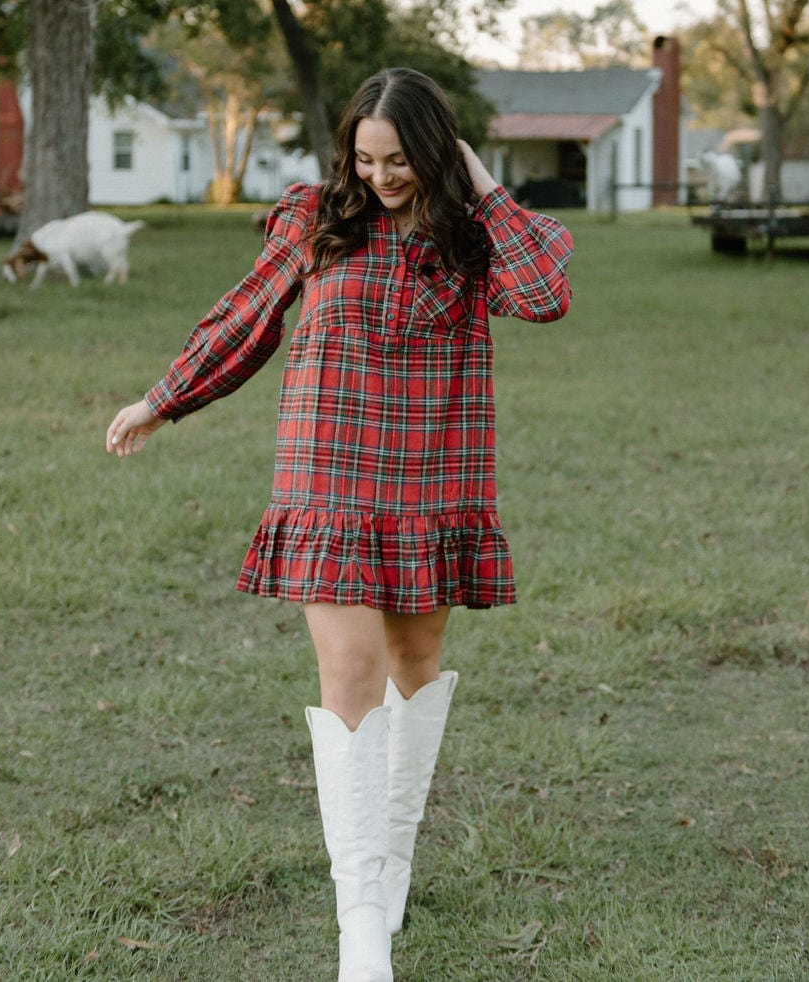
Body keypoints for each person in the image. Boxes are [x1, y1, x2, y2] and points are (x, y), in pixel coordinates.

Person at [106, 67, 573, 982]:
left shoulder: (479, 236)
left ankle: (391, 865)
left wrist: (481, 184)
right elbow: (250, 315)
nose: (380, 177)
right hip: (328, 471)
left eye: (399, 160)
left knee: (414, 667)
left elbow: (546, 293)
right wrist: (165, 399)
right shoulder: (315, 217)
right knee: (349, 669)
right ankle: (360, 922)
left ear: (435, 152)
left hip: (436, 473)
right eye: (365, 157)